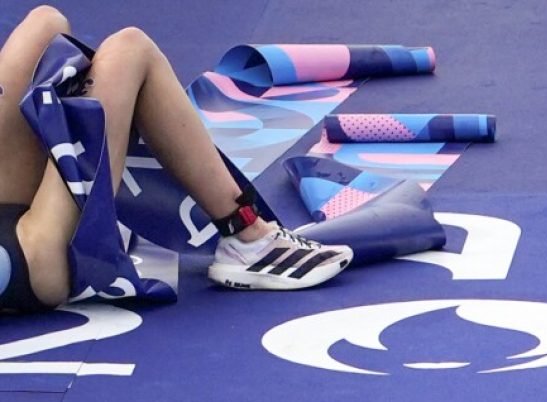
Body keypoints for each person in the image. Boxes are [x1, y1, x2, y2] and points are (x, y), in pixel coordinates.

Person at [0, 6, 352, 314]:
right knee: (129, 50)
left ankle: (92, 186)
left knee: (45, 24)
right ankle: (249, 238)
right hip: (34, 254)